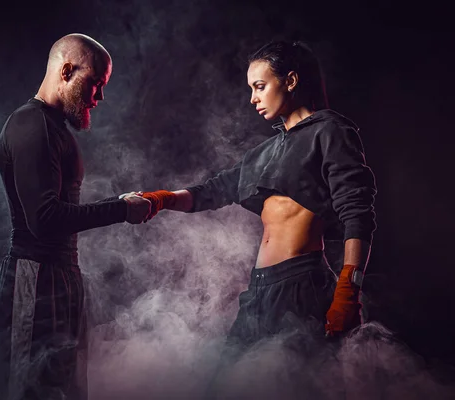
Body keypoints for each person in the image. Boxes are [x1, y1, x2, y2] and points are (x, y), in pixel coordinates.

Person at [138, 40, 377, 388]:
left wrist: (348, 289)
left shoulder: (330, 131)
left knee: (299, 389)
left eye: (260, 86)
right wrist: (160, 199)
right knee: (222, 387)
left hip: (302, 287)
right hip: (259, 291)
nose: (252, 98)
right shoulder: (263, 153)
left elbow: (357, 210)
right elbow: (212, 191)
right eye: (251, 88)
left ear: (291, 80)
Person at [0, 33, 151, 400]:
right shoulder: (31, 125)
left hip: (60, 277)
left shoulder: (52, 128)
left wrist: (120, 203)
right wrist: (121, 209)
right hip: (34, 277)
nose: (100, 97)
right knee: (27, 392)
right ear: (66, 71)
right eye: (95, 84)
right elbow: (44, 219)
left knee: (64, 391)